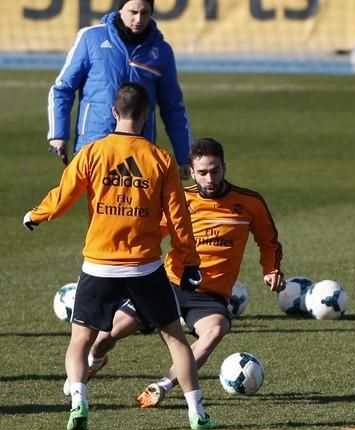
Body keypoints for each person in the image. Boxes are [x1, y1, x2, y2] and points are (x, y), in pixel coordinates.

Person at [23, 82, 216, 430]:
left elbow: (64, 195)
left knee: (80, 341)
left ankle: (79, 402)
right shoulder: (160, 159)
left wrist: (36, 214)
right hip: (145, 267)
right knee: (175, 339)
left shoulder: (94, 153)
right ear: (146, 115)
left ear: (114, 112)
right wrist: (189, 260)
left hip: (99, 264)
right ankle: (196, 412)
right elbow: (178, 217)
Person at [65, 137, 285, 409]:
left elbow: (268, 241)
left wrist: (271, 269)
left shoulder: (249, 202)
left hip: (210, 295)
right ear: (191, 172)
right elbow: (150, 231)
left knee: (216, 330)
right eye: (202, 172)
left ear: (224, 167)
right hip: (168, 284)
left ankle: (164, 384)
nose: (210, 178)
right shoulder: (182, 198)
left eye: (215, 170)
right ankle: (95, 361)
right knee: (107, 336)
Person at [47, 0, 192, 179]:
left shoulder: (162, 51)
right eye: (133, 12)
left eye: (145, 13)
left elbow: (173, 108)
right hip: (94, 142)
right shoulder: (91, 38)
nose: (138, 19)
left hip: (139, 149)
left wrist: (184, 156)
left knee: (133, 206)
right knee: (99, 204)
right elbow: (63, 89)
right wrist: (58, 134)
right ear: (120, 9)